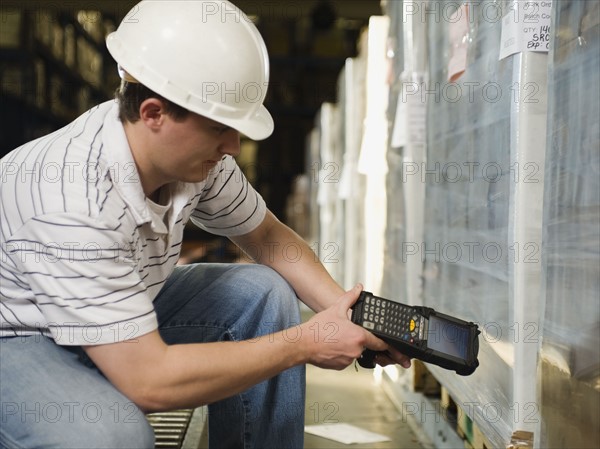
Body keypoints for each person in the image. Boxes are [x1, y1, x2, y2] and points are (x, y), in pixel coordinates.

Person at [0, 1, 410, 448]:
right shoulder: (71, 201)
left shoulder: (196, 160)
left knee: (261, 294)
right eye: (220, 128)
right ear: (153, 113)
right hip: (20, 334)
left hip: (105, 306)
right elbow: (148, 382)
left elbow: (266, 236)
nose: (234, 145)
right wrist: (306, 343)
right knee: (111, 435)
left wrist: (349, 315)